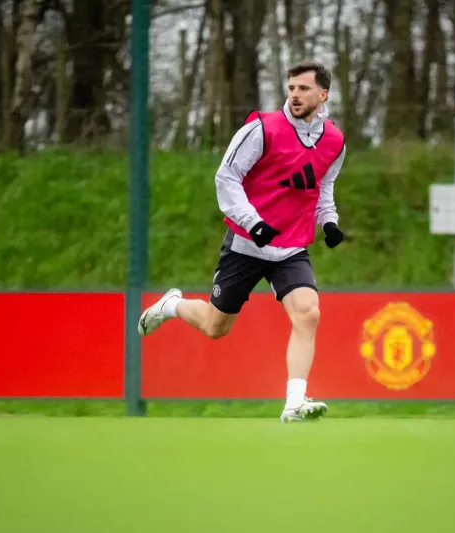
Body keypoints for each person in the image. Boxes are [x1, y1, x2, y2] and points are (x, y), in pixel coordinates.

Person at [138, 61, 347, 423]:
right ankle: (172, 305)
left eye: (303, 88)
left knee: (308, 313)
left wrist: (329, 221)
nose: (295, 95)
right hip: (247, 244)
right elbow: (226, 177)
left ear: (323, 94)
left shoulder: (335, 141)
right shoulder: (262, 129)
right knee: (215, 327)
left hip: (291, 246)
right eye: (291, 88)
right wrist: (253, 223)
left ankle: (294, 403)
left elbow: (323, 186)